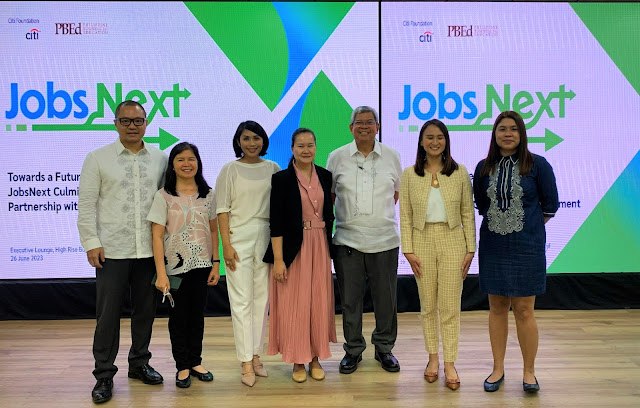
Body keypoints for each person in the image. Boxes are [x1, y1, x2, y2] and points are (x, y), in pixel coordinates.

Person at [77, 100, 167, 404]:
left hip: (149, 251)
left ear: (146, 123)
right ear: (115, 123)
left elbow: (168, 203)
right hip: (111, 250)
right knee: (108, 316)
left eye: (137, 120)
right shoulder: (97, 158)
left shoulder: (160, 158)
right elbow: (86, 205)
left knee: (146, 312)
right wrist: (91, 241)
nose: (132, 126)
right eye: (125, 121)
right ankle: (104, 374)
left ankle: (139, 363)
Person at [473, 111, 559, 393]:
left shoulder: (538, 165)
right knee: (497, 307)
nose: (507, 134)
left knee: (524, 309)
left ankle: (529, 372)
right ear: (494, 134)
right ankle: (497, 369)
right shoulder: (483, 167)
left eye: (513, 129)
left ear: (522, 134)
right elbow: (482, 205)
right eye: (502, 129)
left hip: (527, 247)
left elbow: (550, 206)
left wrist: (522, 226)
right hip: (493, 246)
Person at [399, 119, 475, 391]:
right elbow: (405, 215)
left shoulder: (460, 172)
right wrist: (408, 249)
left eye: (440, 137)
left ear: (446, 141)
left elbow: (467, 212)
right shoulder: (409, 174)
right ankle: (433, 358)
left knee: (450, 305)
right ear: (421, 142)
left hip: (453, 239)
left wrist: (470, 248)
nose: (435, 142)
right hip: (421, 240)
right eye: (429, 137)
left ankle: (450, 362)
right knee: (428, 305)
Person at [326, 106, 403, 374]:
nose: (364, 126)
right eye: (359, 122)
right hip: (347, 241)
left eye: (370, 122)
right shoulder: (336, 157)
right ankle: (353, 350)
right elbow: (331, 197)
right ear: (351, 128)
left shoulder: (392, 156)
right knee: (350, 301)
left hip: (385, 241)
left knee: (386, 301)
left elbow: (395, 194)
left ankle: (384, 348)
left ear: (377, 127)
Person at [263, 128, 337, 383]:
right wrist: (279, 260)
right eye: (301, 146)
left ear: (316, 147)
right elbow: (276, 222)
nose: (306, 150)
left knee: (318, 303)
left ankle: (315, 358)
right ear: (292, 149)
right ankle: (297, 360)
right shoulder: (281, 179)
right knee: (296, 304)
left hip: (320, 246)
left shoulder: (325, 176)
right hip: (293, 250)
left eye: (310, 145)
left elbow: (329, 214)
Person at [147, 142, 220, 388]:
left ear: (198, 163)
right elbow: (157, 235)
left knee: (197, 316)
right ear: (173, 165)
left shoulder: (208, 194)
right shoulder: (164, 196)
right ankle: (182, 366)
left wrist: (216, 263)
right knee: (178, 318)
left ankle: (196, 361)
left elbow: (213, 230)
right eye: (180, 159)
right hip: (174, 269)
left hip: (202, 265)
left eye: (191, 159)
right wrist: (161, 273)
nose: (186, 164)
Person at [215, 121, 280, 387]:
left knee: (261, 301)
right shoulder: (229, 170)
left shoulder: (273, 168)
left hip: (266, 237)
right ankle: (244, 361)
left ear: (263, 140)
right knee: (241, 301)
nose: (251, 143)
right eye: (246, 138)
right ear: (238, 141)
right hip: (238, 238)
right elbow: (222, 210)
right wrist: (226, 246)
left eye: (256, 138)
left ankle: (255, 356)